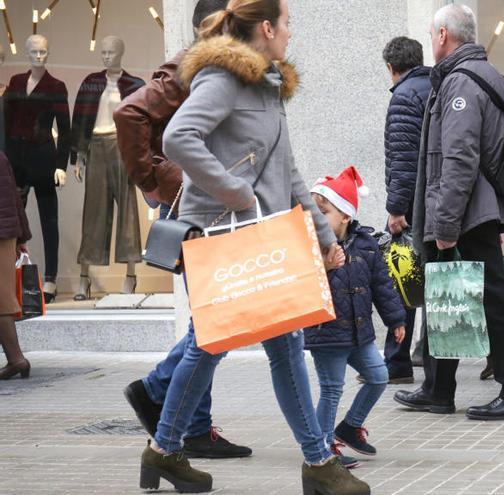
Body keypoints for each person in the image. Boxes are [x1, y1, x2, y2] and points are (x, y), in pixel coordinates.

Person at [138, 2, 368, 494]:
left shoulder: (268, 86)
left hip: (263, 239)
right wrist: (234, 191)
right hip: (224, 237)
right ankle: (166, 451)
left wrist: (326, 238)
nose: (290, 33)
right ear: (266, 28)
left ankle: (313, 462)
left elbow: (289, 172)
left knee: (268, 347)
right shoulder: (223, 78)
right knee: (212, 347)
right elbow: (179, 138)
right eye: (286, 24)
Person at [116, 0, 253, 461]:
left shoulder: (217, 70)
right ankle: (166, 401)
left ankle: (185, 419)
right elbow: (129, 114)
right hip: (197, 215)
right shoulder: (188, 66)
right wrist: (157, 178)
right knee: (216, 322)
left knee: (214, 320)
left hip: (212, 212)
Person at [395, 4, 504, 421]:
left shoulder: (461, 82)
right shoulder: (482, 74)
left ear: (442, 36)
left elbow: (458, 157)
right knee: (447, 294)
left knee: (493, 297)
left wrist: (445, 223)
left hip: (467, 209)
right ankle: (438, 389)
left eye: (431, 33)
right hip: (470, 206)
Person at [305, 166, 406, 470]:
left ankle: (350, 427)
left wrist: (396, 319)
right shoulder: (309, 246)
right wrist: (324, 266)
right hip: (327, 332)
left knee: (379, 376)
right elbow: (302, 283)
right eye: (313, 212)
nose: (316, 218)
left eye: (323, 212)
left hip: (360, 334)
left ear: (346, 216)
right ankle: (323, 448)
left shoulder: (366, 244)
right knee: (332, 388)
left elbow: (382, 285)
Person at [380, 36, 431, 385]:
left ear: (391, 68)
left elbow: (403, 159)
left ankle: (397, 363)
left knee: (402, 279)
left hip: (414, 206)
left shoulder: (403, 97)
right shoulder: (435, 87)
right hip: (441, 202)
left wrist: (396, 209)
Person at [0, 151, 31, 380]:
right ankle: (16, 360)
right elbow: (14, 197)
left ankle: (17, 359)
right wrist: (21, 238)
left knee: (2, 301)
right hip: (7, 233)